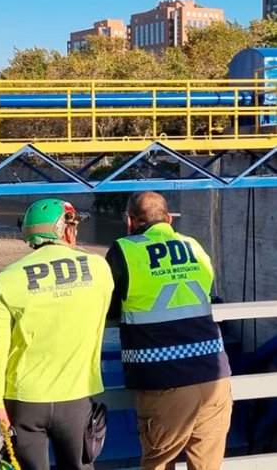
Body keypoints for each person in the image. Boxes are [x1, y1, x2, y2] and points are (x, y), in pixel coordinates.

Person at [0, 198, 113, 470]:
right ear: (65, 230)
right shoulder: (99, 270)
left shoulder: (3, 282)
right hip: (78, 396)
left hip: (24, 401)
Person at [106, 191, 232, 470]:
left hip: (166, 382)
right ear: (169, 218)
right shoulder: (195, 246)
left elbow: (109, 309)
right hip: (215, 377)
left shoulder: (125, 250)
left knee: (159, 463)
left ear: (130, 221)